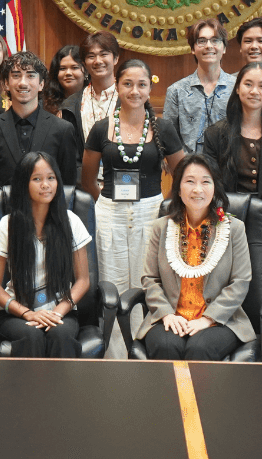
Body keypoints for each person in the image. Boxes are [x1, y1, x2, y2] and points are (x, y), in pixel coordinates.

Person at [82, 58, 185, 358]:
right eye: (127, 84)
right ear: (117, 86)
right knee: (111, 288)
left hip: (150, 215)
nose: (135, 90)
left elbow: (182, 176)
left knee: (147, 286)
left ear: (150, 87)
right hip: (109, 214)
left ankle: (146, 353)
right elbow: (88, 181)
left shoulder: (163, 127)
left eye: (142, 84)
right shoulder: (101, 129)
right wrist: (109, 202)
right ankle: (114, 359)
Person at [135, 154, 253, 360]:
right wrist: (166, 313)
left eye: (206, 182)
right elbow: (150, 279)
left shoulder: (234, 229)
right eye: (190, 181)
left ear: (215, 187)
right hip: (171, 316)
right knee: (166, 346)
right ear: (178, 189)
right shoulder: (161, 228)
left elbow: (240, 282)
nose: (198, 189)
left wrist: (208, 319)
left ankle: (200, 395)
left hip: (219, 320)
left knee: (199, 349)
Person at [0, 152, 92, 358]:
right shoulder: (8, 224)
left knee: (60, 335)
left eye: (51, 178)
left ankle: (63, 392)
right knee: (31, 335)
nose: (46, 185)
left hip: (61, 309)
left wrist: (57, 313)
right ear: (24, 183)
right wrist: (28, 313)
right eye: (37, 179)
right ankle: (26, 391)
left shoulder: (71, 221)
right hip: (16, 312)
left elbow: (83, 280)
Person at [201, 62, 262, 287]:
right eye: (248, 84)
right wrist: (223, 229)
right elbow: (211, 187)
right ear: (237, 88)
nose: (255, 91)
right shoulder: (216, 134)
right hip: (227, 228)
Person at [0, 51, 81, 188]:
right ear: (6, 84)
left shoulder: (63, 129)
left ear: (41, 84)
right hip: (6, 208)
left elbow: (68, 185)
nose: (23, 83)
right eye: (16, 76)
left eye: (30, 76)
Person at [164, 19, 236, 155]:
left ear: (224, 48)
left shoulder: (238, 88)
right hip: (189, 169)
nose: (209, 46)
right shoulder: (176, 91)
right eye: (202, 41)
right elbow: (169, 140)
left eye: (215, 40)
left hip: (228, 169)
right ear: (192, 49)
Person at [60, 31, 121, 148]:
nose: (97, 61)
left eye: (103, 54)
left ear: (115, 58)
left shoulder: (129, 99)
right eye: (91, 56)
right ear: (84, 63)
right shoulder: (70, 105)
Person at [43, 45, 85, 117]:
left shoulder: (94, 102)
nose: (68, 73)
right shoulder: (44, 104)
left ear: (86, 71)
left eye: (74, 68)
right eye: (62, 68)